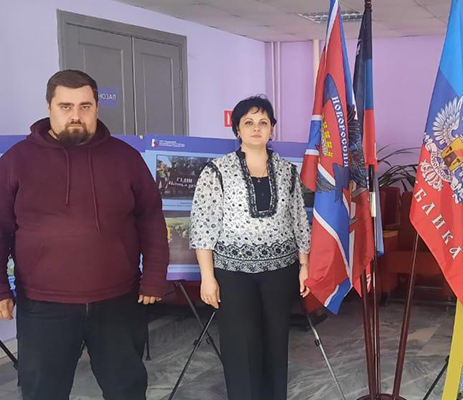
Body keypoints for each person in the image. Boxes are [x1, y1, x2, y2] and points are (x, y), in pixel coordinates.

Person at [0, 70, 169, 400]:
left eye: (85, 106)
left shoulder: (126, 158)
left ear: (96, 107)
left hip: (118, 301)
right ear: (49, 107)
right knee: (43, 392)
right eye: (65, 106)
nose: (75, 115)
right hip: (44, 305)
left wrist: (154, 278)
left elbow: (150, 218)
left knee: (127, 389)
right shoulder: (16, 161)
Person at [190, 95, 311, 400]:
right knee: (239, 345)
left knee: (276, 342)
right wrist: (207, 277)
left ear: (272, 129)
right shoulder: (216, 171)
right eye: (249, 122)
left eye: (263, 122)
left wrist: (304, 265)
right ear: (238, 129)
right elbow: (203, 226)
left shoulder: (288, 171)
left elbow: (299, 220)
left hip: (280, 272)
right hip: (233, 274)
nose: (256, 128)